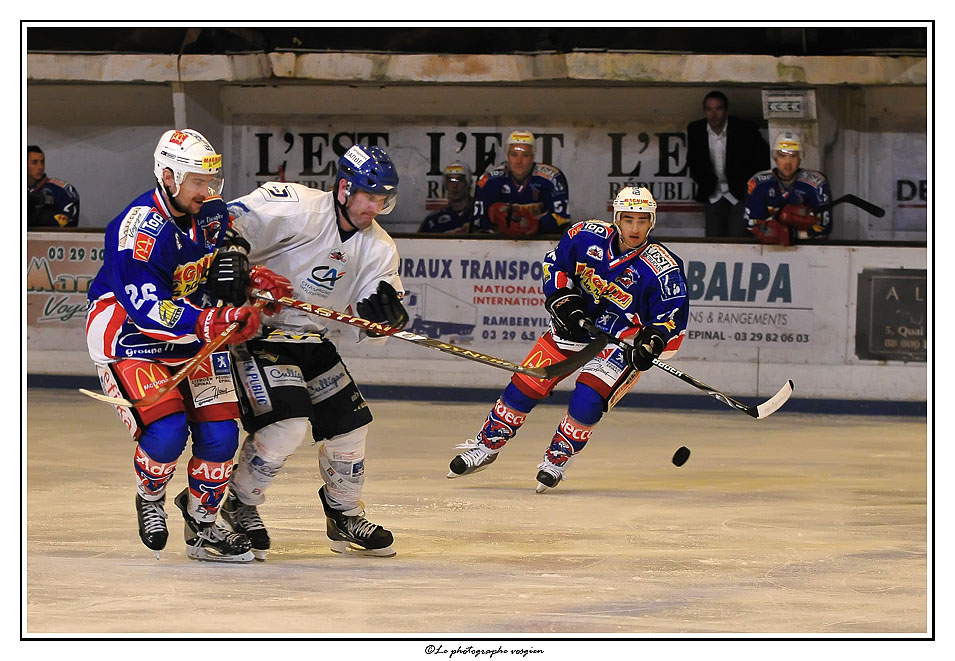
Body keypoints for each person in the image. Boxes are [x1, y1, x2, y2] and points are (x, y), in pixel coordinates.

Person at [85, 128, 289, 562]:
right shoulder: (137, 231)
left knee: (220, 436)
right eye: (198, 181)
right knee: (167, 432)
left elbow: (213, 268)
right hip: (130, 337)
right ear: (168, 176)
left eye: (211, 181)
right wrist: (215, 319)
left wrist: (250, 285)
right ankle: (150, 494)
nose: (208, 191)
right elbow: (147, 309)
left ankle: (202, 525)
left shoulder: (211, 212)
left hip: (195, 330)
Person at [220, 144, 409, 559]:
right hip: (257, 330)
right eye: (369, 195)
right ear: (344, 189)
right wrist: (232, 253)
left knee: (351, 428)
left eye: (383, 198)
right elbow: (224, 219)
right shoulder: (295, 206)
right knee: (287, 426)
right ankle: (239, 501)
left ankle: (343, 514)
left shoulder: (379, 246)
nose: (374, 206)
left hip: (310, 338)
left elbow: (374, 305)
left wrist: (387, 318)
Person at [448, 186, 689, 492]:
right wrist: (564, 303)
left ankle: (556, 460)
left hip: (620, 341)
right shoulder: (584, 236)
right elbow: (555, 266)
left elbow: (670, 319)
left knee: (587, 398)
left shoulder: (663, 268)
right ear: (616, 217)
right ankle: (487, 446)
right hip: (575, 328)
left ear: (651, 222)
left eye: (642, 221)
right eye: (627, 219)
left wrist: (651, 343)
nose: (634, 228)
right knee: (526, 384)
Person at [685, 91, 769, 238]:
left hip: (740, 195)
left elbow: (761, 160)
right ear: (704, 111)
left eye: (718, 108)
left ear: (726, 110)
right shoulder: (696, 129)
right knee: (713, 241)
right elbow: (693, 160)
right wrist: (703, 181)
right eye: (709, 109)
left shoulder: (744, 129)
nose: (714, 114)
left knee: (738, 242)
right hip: (712, 193)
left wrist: (749, 187)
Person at [473, 130, 571, 236]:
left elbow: (563, 220)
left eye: (525, 155)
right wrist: (492, 220)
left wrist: (537, 225)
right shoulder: (489, 181)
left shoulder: (552, 178)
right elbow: (477, 226)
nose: (519, 161)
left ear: (533, 157)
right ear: (507, 156)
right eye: (514, 155)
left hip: (541, 244)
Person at [744, 131, 833, 246]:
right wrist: (770, 230)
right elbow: (751, 223)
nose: (788, 163)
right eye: (782, 156)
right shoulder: (758, 184)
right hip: (767, 250)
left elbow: (824, 227)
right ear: (775, 158)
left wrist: (792, 235)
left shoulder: (816, 184)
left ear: (800, 159)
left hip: (809, 251)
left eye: (793, 156)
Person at [27, 145, 81, 228]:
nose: (40, 167)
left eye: (42, 162)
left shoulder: (63, 191)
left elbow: (66, 228)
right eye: (34, 162)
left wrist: (43, 218)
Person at [418, 161, 474, 233]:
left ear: (467, 183)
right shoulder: (433, 219)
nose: (454, 185)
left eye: (459, 180)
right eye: (450, 180)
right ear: (446, 185)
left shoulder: (480, 215)